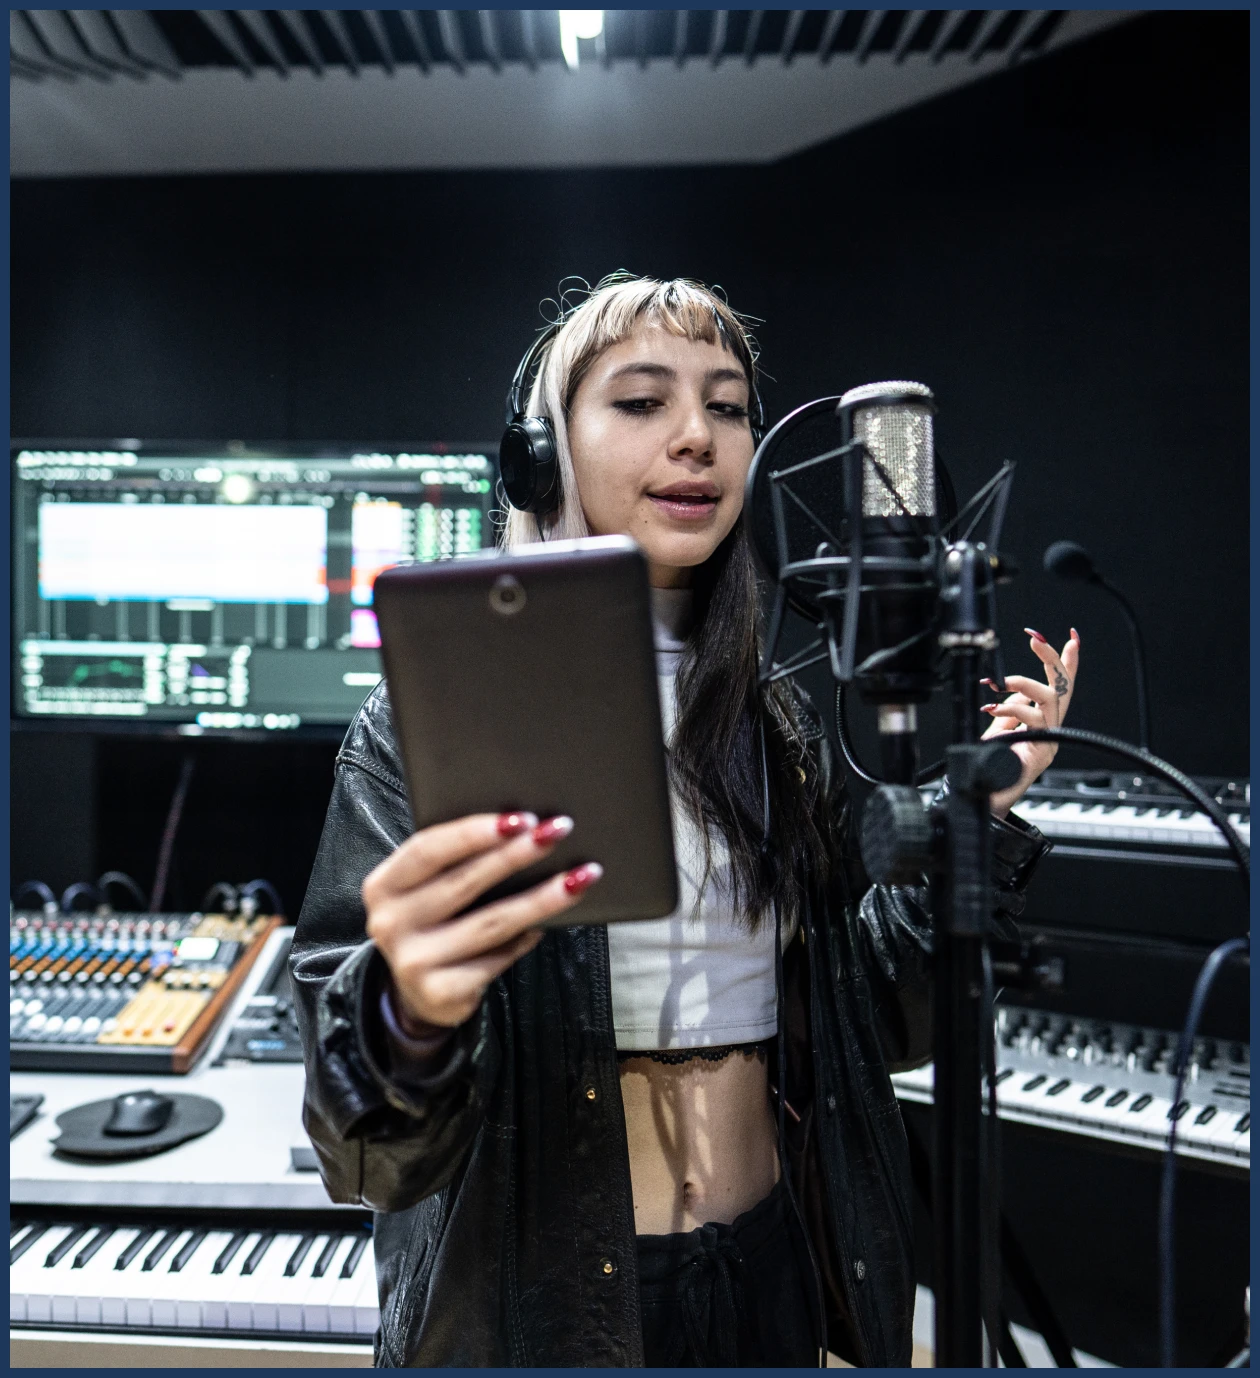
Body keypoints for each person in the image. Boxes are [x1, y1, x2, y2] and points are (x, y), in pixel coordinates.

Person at [291, 273, 1080, 1367]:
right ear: (541, 452)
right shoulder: (425, 724)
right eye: (641, 401)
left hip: (767, 1274)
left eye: (726, 405)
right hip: (552, 1309)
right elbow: (360, 1148)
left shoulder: (776, 722)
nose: (697, 438)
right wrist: (409, 1009)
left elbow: (878, 1025)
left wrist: (978, 816)